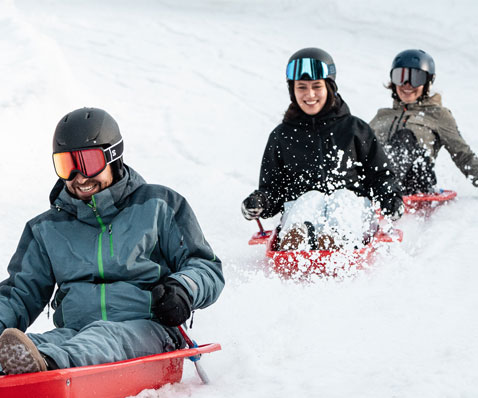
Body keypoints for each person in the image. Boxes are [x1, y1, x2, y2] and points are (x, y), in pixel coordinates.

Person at [0, 107, 224, 375]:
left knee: (103, 336)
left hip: (149, 328)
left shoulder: (159, 205)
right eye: (66, 165)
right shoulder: (47, 228)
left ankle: (47, 367)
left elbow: (206, 266)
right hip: (75, 332)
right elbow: (18, 294)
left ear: (113, 156)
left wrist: (182, 289)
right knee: (39, 345)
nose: (79, 177)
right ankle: (30, 363)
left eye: (88, 162)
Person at [241, 47, 403, 251]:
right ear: (293, 90)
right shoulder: (282, 136)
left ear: (330, 87)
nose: (309, 95)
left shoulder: (355, 129)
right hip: (301, 209)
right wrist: (261, 201)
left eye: (317, 86)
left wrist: (390, 198)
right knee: (308, 198)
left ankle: (338, 238)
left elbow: (380, 174)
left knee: (343, 198)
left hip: (353, 209)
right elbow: (273, 189)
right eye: (301, 87)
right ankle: (297, 238)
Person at [370, 49, 478, 195]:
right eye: (400, 77)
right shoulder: (382, 115)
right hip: (378, 183)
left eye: (416, 78)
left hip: (415, 183)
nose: (407, 85)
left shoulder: (438, 115)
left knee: (404, 138)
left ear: (428, 82)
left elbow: (463, 155)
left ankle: (388, 191)